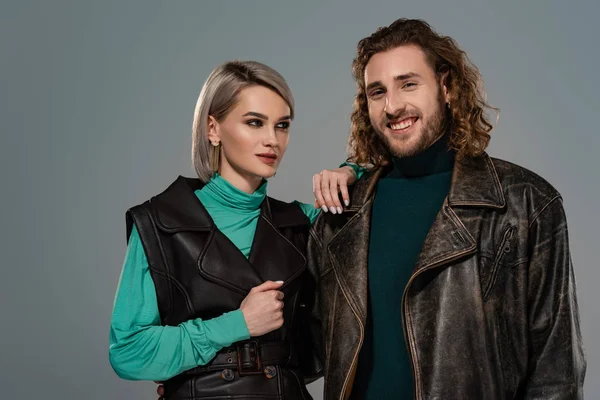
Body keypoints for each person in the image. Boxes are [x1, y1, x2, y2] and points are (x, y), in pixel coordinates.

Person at [308, 18, 586, 399]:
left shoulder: (525, 203)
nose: (392, 105)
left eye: (408, 83)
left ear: (447, 87)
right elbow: (300, 350)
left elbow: (556, 373)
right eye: (377, 92)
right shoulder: (341, 215)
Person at [108, 60, 360, 399]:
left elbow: (389, 171)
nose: (272, 140)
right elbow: (128, 351)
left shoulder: (304, 221)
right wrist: (237, 324)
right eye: (255, 122)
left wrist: (350, 171)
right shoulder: (158, 223)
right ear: (213, 129)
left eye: (282, 125)